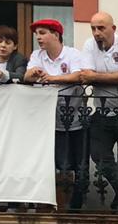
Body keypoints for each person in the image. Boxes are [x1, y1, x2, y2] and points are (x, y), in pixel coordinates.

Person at [79, 11, 118, 209]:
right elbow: (86, 76)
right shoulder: (89, 45)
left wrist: (96, 77)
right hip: (102, 111)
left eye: (101, 28)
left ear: (113, 29)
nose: (96, 33)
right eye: (93, 28)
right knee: (99, 155)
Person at [24, 19, 89, 208]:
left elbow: (78, 75)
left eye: (42, 33)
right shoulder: (37, 55)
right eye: (37, 34)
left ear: (56, 35)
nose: (38, 37)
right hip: (49, 122)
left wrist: (53, 78)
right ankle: (52, 203)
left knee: (78, 164)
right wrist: (33, 73)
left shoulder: (72, 54)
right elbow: (26, 77)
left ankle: (75, 204)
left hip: (75, 119)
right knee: (58, 163)